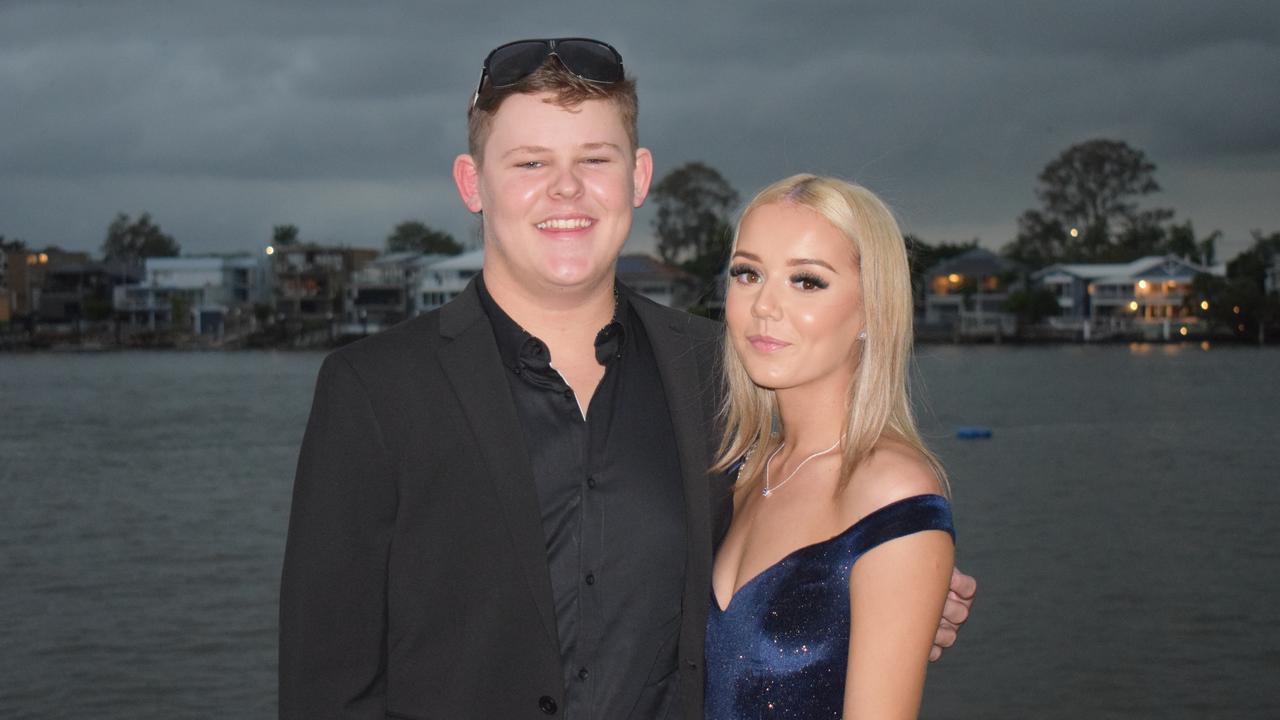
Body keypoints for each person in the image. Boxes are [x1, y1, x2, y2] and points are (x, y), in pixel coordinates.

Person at [279, 39, 974, 720]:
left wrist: (892, 594)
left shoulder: (720, 371)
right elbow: (326, 685)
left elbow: (811, 536)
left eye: (595, 159)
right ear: (472, 183)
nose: (566, 188)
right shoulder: (373, 389)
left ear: (638, 176)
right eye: (529, 161)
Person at [706, 175, 957, 719]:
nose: (764, 306)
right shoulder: (742, 470)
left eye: (807, 281)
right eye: (748, 274)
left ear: (872, 310)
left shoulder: (892, 493)